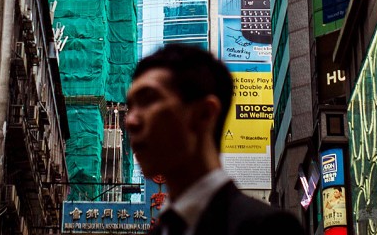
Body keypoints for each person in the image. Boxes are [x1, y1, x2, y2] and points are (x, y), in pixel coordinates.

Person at [125, 44, 303, 235]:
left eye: (148, 99)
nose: (130, 121)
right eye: (130, 107)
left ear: (204, 114)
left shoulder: (269, 228)